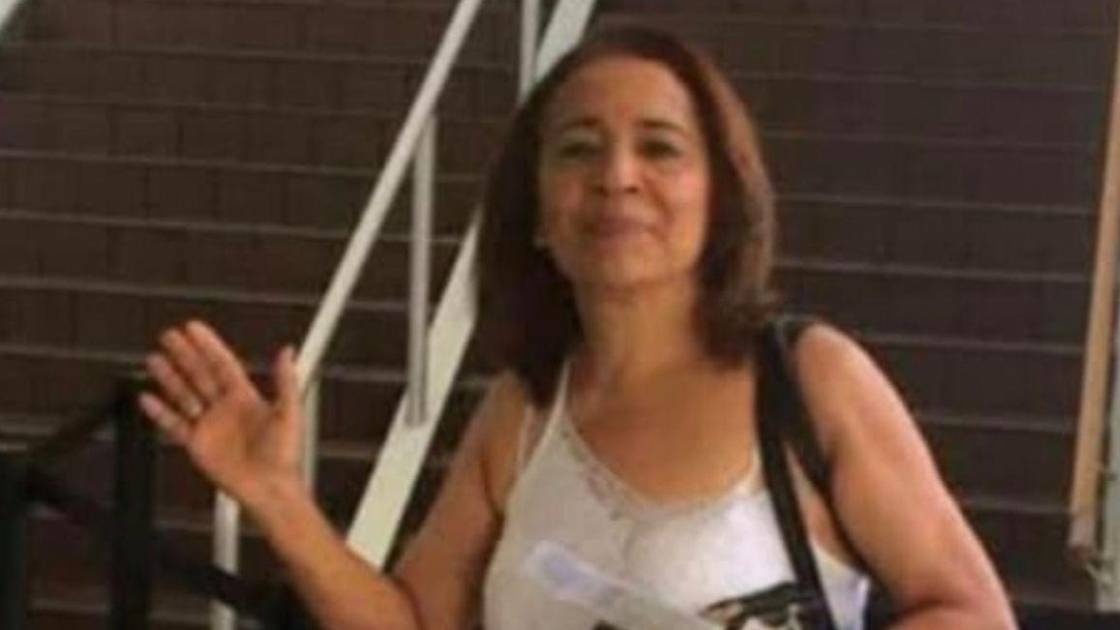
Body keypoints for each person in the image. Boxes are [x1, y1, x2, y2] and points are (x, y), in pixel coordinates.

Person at [139, 26, 1016, 630]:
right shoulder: (520, 413)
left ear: (721, 197)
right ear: (536, 212)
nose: (616, 176)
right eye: (578, 148)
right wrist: (276, 498)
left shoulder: (810, 380)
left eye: (660, 146)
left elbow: (972, 610)